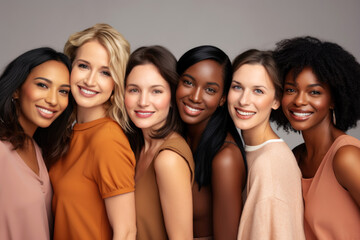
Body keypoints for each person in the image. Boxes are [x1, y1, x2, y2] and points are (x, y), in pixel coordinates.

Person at [49, 23, 136, 240]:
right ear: (69, 67)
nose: (90, 80)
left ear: (116, 83)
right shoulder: (70, 134)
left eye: (105, 72)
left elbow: (126, 232)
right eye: (84, 66)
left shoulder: (108, 139)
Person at [273, 36, 360, 240]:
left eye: (314, 92)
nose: (300, 100)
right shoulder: (295, 157)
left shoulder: (346, 157)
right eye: (291, 90)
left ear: (333, 100)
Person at [227, 49, 305, 239]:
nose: (244, 100)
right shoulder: (250, 152)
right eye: (237, 87)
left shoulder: (269, 164)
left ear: (276, 100)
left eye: (258, 91)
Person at [0, 47, 72, 240]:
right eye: (42, 85)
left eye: (63, 91)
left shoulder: (37, 149)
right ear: (16, 90)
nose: (53, 100)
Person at [176, 45, 247, 240]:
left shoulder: (225, 158)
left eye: (210, 89)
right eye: (188, 82)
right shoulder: (176, 139)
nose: (195, 97)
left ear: (222, 98)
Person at [124, 45, 194, 240]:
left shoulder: (168, 159)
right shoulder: (135, 148)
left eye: (156, 91)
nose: (143, 101)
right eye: (134, 90)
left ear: (173, 98)